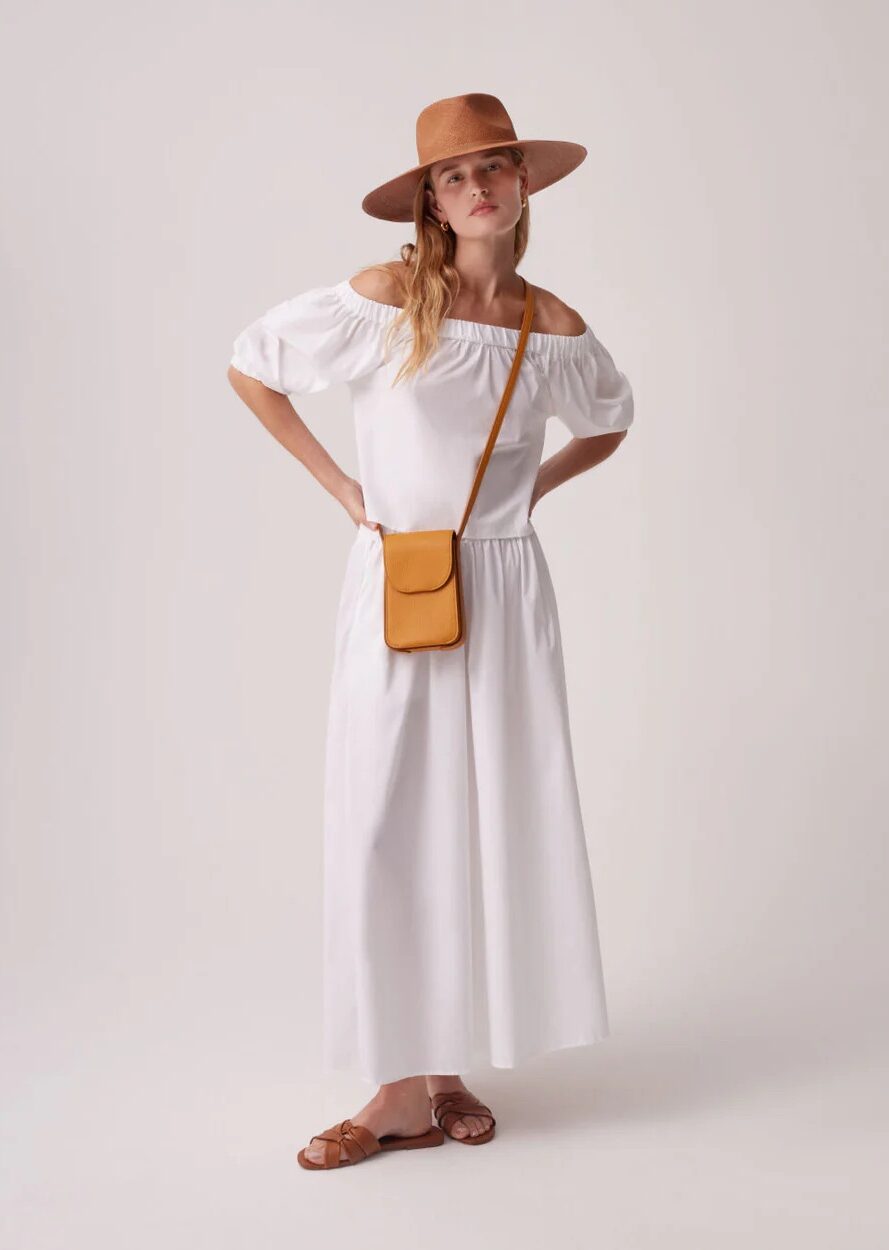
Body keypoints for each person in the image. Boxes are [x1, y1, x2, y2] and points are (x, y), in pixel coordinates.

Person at [227, 93, 635, 1172]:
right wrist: (342, 488)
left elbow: (611, 414)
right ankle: (393, 1083)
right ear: (431, 203)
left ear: (524, 183)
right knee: (386, 816)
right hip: (402, 581)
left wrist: (528, 493)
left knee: (481, 814)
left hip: (503, 587)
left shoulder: (550, 325)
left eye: (495, 168)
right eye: (456, 178)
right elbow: (251, 363)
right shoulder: (386, 298)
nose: (480, 189)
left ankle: (443, 1073)